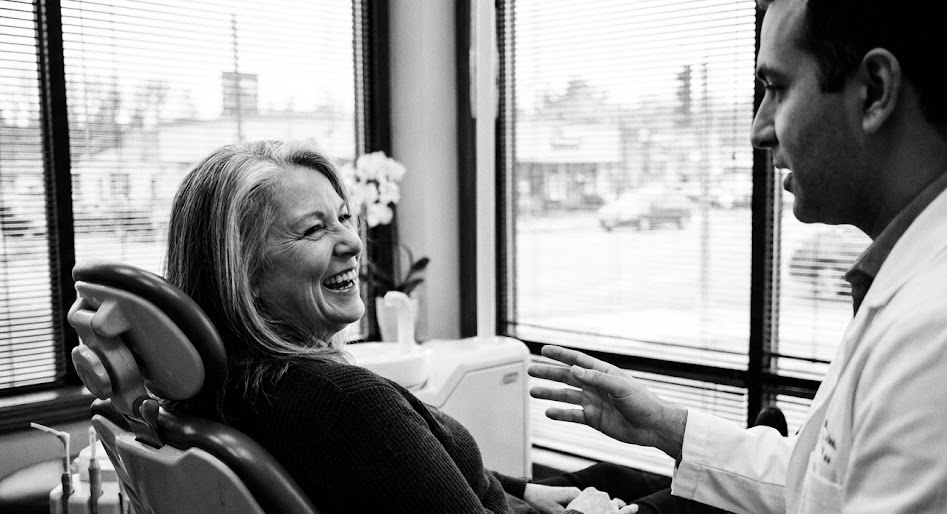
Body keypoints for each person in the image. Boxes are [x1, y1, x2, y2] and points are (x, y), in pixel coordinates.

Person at [529, 0, 947, 512]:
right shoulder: (911, 283)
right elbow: (817, 483)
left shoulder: (933, 331)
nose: (758, 128)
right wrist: (662, 423)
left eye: (776, 88)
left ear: (875, 91)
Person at [164, 139, 640, 514]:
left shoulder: (223, 389)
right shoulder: (347, 404)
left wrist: (523, 490)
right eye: (313, 230)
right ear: (238, 271)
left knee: (620, 477)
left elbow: (400, 476)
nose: (351, 240)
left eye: (344, 217)